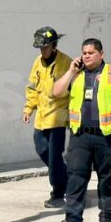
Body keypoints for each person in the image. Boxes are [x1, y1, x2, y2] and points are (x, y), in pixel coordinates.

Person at [51, 38, 111, 222]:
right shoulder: (76, 74)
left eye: (91, 52)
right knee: (76, 177)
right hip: (80, 136)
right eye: (84, 53)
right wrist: (71, 71)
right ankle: (72, 219)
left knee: (107, 178)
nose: (87, 56)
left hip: (106, 136)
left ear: (101, 54)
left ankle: (107, 215)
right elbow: (56, 92)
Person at [22, 26, 73, 208]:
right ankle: (65, 177)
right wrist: (28, 109)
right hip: (42, 117)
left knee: (54, 156)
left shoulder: (66, 63)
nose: (42, 51)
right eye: (40, 48)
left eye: (45, 47)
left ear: (53, 45)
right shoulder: (38, 62)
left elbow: (74, 90)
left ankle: (58, 193)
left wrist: (72, 116)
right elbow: (32, 87)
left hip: (58, 118)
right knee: (42, 149)